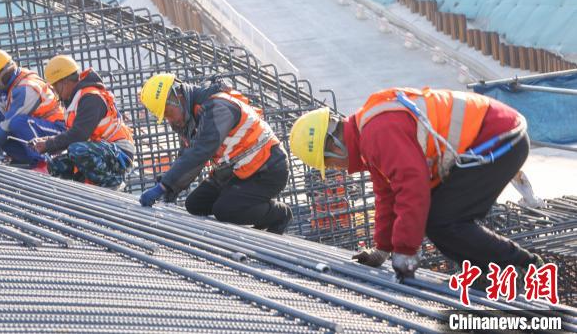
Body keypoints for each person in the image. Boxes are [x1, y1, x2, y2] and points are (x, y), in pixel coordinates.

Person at [289, 87, 543, 280]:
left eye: (331, 164)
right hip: (492, 137)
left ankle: (526, 265)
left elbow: (413, 188)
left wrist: (406, 250)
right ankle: (487, 275)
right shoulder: (368, 137)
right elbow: (387, 195)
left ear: (334, 145)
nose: (338, 170)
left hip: (500, 139)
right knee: (438, 219)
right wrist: (384, 249)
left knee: (443, 220)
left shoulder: (378, 134)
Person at [137, 73, 292, 234]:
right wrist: (170, 190)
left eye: (168, 112)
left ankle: (279, 214)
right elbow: (187, 155)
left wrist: (164, 186)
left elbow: (201, 151)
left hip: (267, 169)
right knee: (195, 204)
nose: (170, 120)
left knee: (224, 210)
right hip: (237, 171)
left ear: (179, 97)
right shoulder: (191, 116)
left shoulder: (218, 107)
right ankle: (245, 205)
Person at [30, 55, 134, 189]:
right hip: (101, 150)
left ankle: (112, 183)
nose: (55, 92)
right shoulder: (76, 99)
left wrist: (48, 143)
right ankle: (78, 192)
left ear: (64, 82)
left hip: (120, 152)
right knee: (57, 163)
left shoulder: (90, 97)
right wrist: (47, 142)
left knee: (77, 150)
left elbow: (79, 134)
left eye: (55, 87)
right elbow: (74, 136)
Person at [0, 49, 65, 168]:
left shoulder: (26, 89)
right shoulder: (14, 85)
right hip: (39, 130)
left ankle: (43, 164)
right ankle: (29, 162)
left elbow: (7, 126)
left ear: (2, 74)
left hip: (56, 132)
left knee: (16, 123)